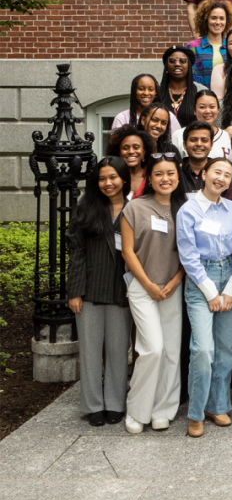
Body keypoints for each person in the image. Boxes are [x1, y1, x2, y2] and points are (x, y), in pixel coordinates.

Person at [121, 153, 186, 434]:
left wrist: (176, 279)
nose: (165, 179)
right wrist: (148, 284)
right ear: (149, 178)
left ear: (178, 176)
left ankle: (163, 409)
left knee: (171, 351)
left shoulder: (185, 209)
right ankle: (137, 409)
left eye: (170, 173)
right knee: (152, 349)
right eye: (159, 174)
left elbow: (191, 252)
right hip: (142, 286)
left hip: (173, 286)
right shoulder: (135, 207)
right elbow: (127, 252)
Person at [176, 157, 232, 438]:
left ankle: (218, 406)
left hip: (229, 276)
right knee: (203, 349)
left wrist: (230, 289)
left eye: (227, 174)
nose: (221, 178)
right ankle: (196, 413)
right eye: (217, 172)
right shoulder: (188, 210)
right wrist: (211, 292)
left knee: (225, 349)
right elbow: (188, 255)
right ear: (204, 174)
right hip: (201, 279)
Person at [67, 157, 131, 426]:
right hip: (90, 288)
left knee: (118, 349)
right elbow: (76, 252)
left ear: (124, 179)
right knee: (90, 350)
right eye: (102, 178)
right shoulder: (86, 208)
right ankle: (92, 404)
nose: (108, 183)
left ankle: (116, 402)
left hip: (122, 289)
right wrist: (74, 291)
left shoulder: (135, 207)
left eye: (113, 177)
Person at [112, 74, 181, 136]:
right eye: (141, 89)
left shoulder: (169, 116)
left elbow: (178, 140)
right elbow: (115, 143)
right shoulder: (122, 118)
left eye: (151, 89)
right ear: (134, 91)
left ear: (156, 92)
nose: (146, 93)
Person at [186, 0, 232, 87]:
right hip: (200, 93)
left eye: (222, 18)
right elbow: (188, 75)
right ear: (205, 20)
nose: (218, 22)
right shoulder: (193, 46)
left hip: (227, 94)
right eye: (213, 18)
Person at [158, 46, 203, 128]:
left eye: (182, 61)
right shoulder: (157, 92)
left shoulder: (201, 91)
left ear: (189, 66)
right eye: (172, 61)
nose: (177, 64)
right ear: (166, 66)